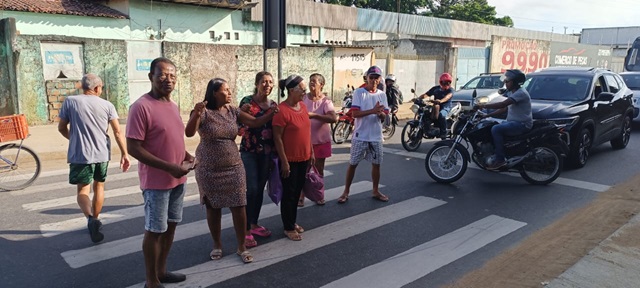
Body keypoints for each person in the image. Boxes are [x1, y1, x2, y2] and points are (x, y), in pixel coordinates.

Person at [185, 78, 278, 264]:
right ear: (214, 93)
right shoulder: (203, 112)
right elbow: (189, 132)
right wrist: (196, 114)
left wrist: (271, 113)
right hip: (208, 169)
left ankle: (241, 246)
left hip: (233, 166)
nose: (229, 93)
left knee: (239, 206)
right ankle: (217, 244)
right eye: (225, 90)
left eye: (229, 90)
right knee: (213, 208)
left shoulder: (233, 111)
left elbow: (255, 122)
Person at [126, 57, 194, 288]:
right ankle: (151, 280)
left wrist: (186, 156)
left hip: (178, 178)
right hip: (156, 182)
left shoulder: (173, 105)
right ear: (151, 77)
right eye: (163, 74)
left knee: (171, 226)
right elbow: (133, 148)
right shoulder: (140, 107)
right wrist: (170, 167)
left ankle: (162, 270)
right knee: (155, 230)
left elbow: (169, 138)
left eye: (172, 75)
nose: (168, 79)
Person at [57, 73, 130, 244]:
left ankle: (90, 219)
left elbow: (61, 128)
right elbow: (118, 132)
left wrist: (74, 139)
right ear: (97, 88)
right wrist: (124, 153)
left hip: (80, 154)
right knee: (99, 186)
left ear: (83, 87)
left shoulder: (70, 102)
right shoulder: (107, 105)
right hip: (102, 153)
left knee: (83, 190)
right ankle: (96, 218)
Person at [338, 66, 389, 204]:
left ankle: (375, 190)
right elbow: (355, 114)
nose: (373, 80)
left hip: (376, 137)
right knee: (353, 164)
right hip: (360, 136)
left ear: (380, 79)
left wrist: (381, 114)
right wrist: (373, 111)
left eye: (376, 78)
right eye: (371, 77)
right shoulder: (359, 93)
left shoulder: (382, 95)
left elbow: (385, 117)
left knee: (377, 164)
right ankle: (346, 191)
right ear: (367, 78)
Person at [238, 71, 277, 248]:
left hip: (266, 153)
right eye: (264, 82)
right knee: (251, 189)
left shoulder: (273, 104)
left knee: (260, 188)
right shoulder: (247, 102)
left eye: (270, 82)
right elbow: (251, 123)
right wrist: (271, 113)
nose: (267, 85)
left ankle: (254, 224)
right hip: (249, 151)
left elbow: (276, 130)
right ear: (256, 84)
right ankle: (245, 230)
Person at [272, 74, 313, 241]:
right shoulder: (281, 111)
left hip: (304, 157)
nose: (304, 92)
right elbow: (277, 138)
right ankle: (288, 227)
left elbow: (306, 132)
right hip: (290, 160)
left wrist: (311, 151)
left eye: (304, 90)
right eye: (302, 89)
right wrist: (284, 162)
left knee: (296, 193)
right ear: (291, 90)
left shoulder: (302, 107)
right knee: (289, 194)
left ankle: (292, 221)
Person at [473, 69, 532, 170]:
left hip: (522, 124)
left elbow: (503, 104)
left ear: (515, 82)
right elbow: (504, 108)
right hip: (513, 122)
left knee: (496, 129)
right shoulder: (513, 92)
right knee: (490, 125)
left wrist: (482, 105)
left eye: (508, 81)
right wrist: (486, 116)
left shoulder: (520, 93)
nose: (505, 83)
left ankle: (500, 159)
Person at [298, 73, 337, 207]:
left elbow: (333, 118)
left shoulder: (326, 101)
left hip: (321, 142)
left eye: (315, 81)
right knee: (303, 170)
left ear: (322, 84)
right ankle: (301, 196)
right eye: (310, 81)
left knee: (319, 170)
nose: (311, 84)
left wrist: (314, 115)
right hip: (304, 141)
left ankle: (319, 195)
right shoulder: (303, 98)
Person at [418, 72, 454, 140]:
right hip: (435, 106)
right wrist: (418, 98)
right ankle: (428, 128)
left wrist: (440, 101)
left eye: (447, 82)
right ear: (441, 82)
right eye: (444, 82)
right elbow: (426, 94)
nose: (445, 84)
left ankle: (443, 133)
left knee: (441, 115)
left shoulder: (450, 90)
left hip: (446, 106)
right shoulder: (436, 89)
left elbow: (448, 97)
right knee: (426, 113)